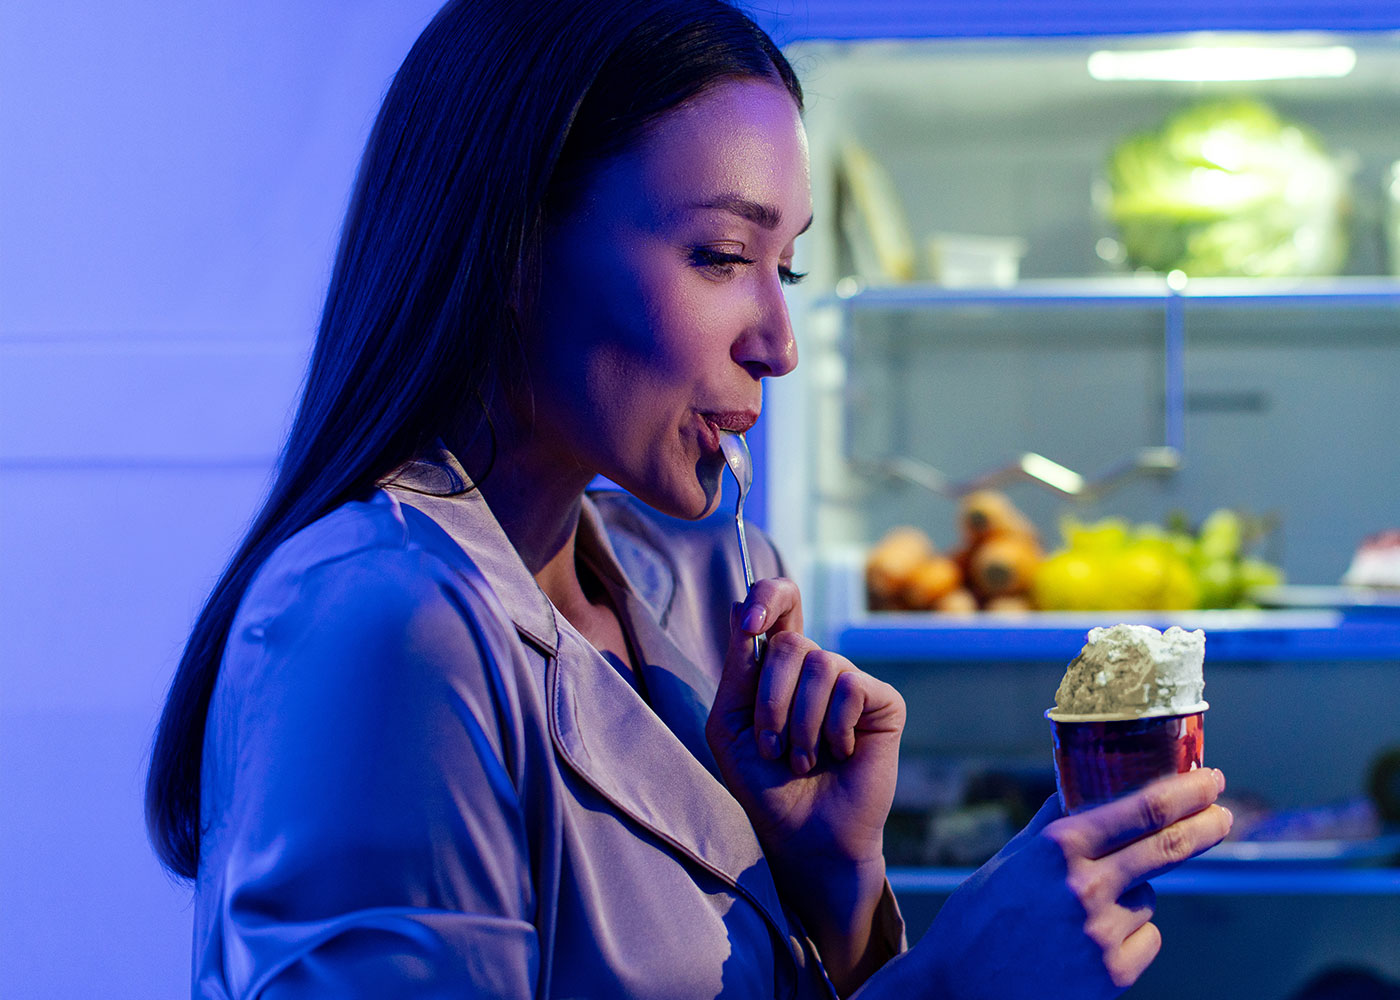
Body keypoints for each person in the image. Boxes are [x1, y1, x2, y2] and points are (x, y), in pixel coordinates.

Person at [142, 1, 1233, 997]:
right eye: (720, 255)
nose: (780, 343)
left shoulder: (681, 583)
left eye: (787, 269)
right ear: (513, 245)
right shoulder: (381, 625)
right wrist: (950, 986)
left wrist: (831, 881)